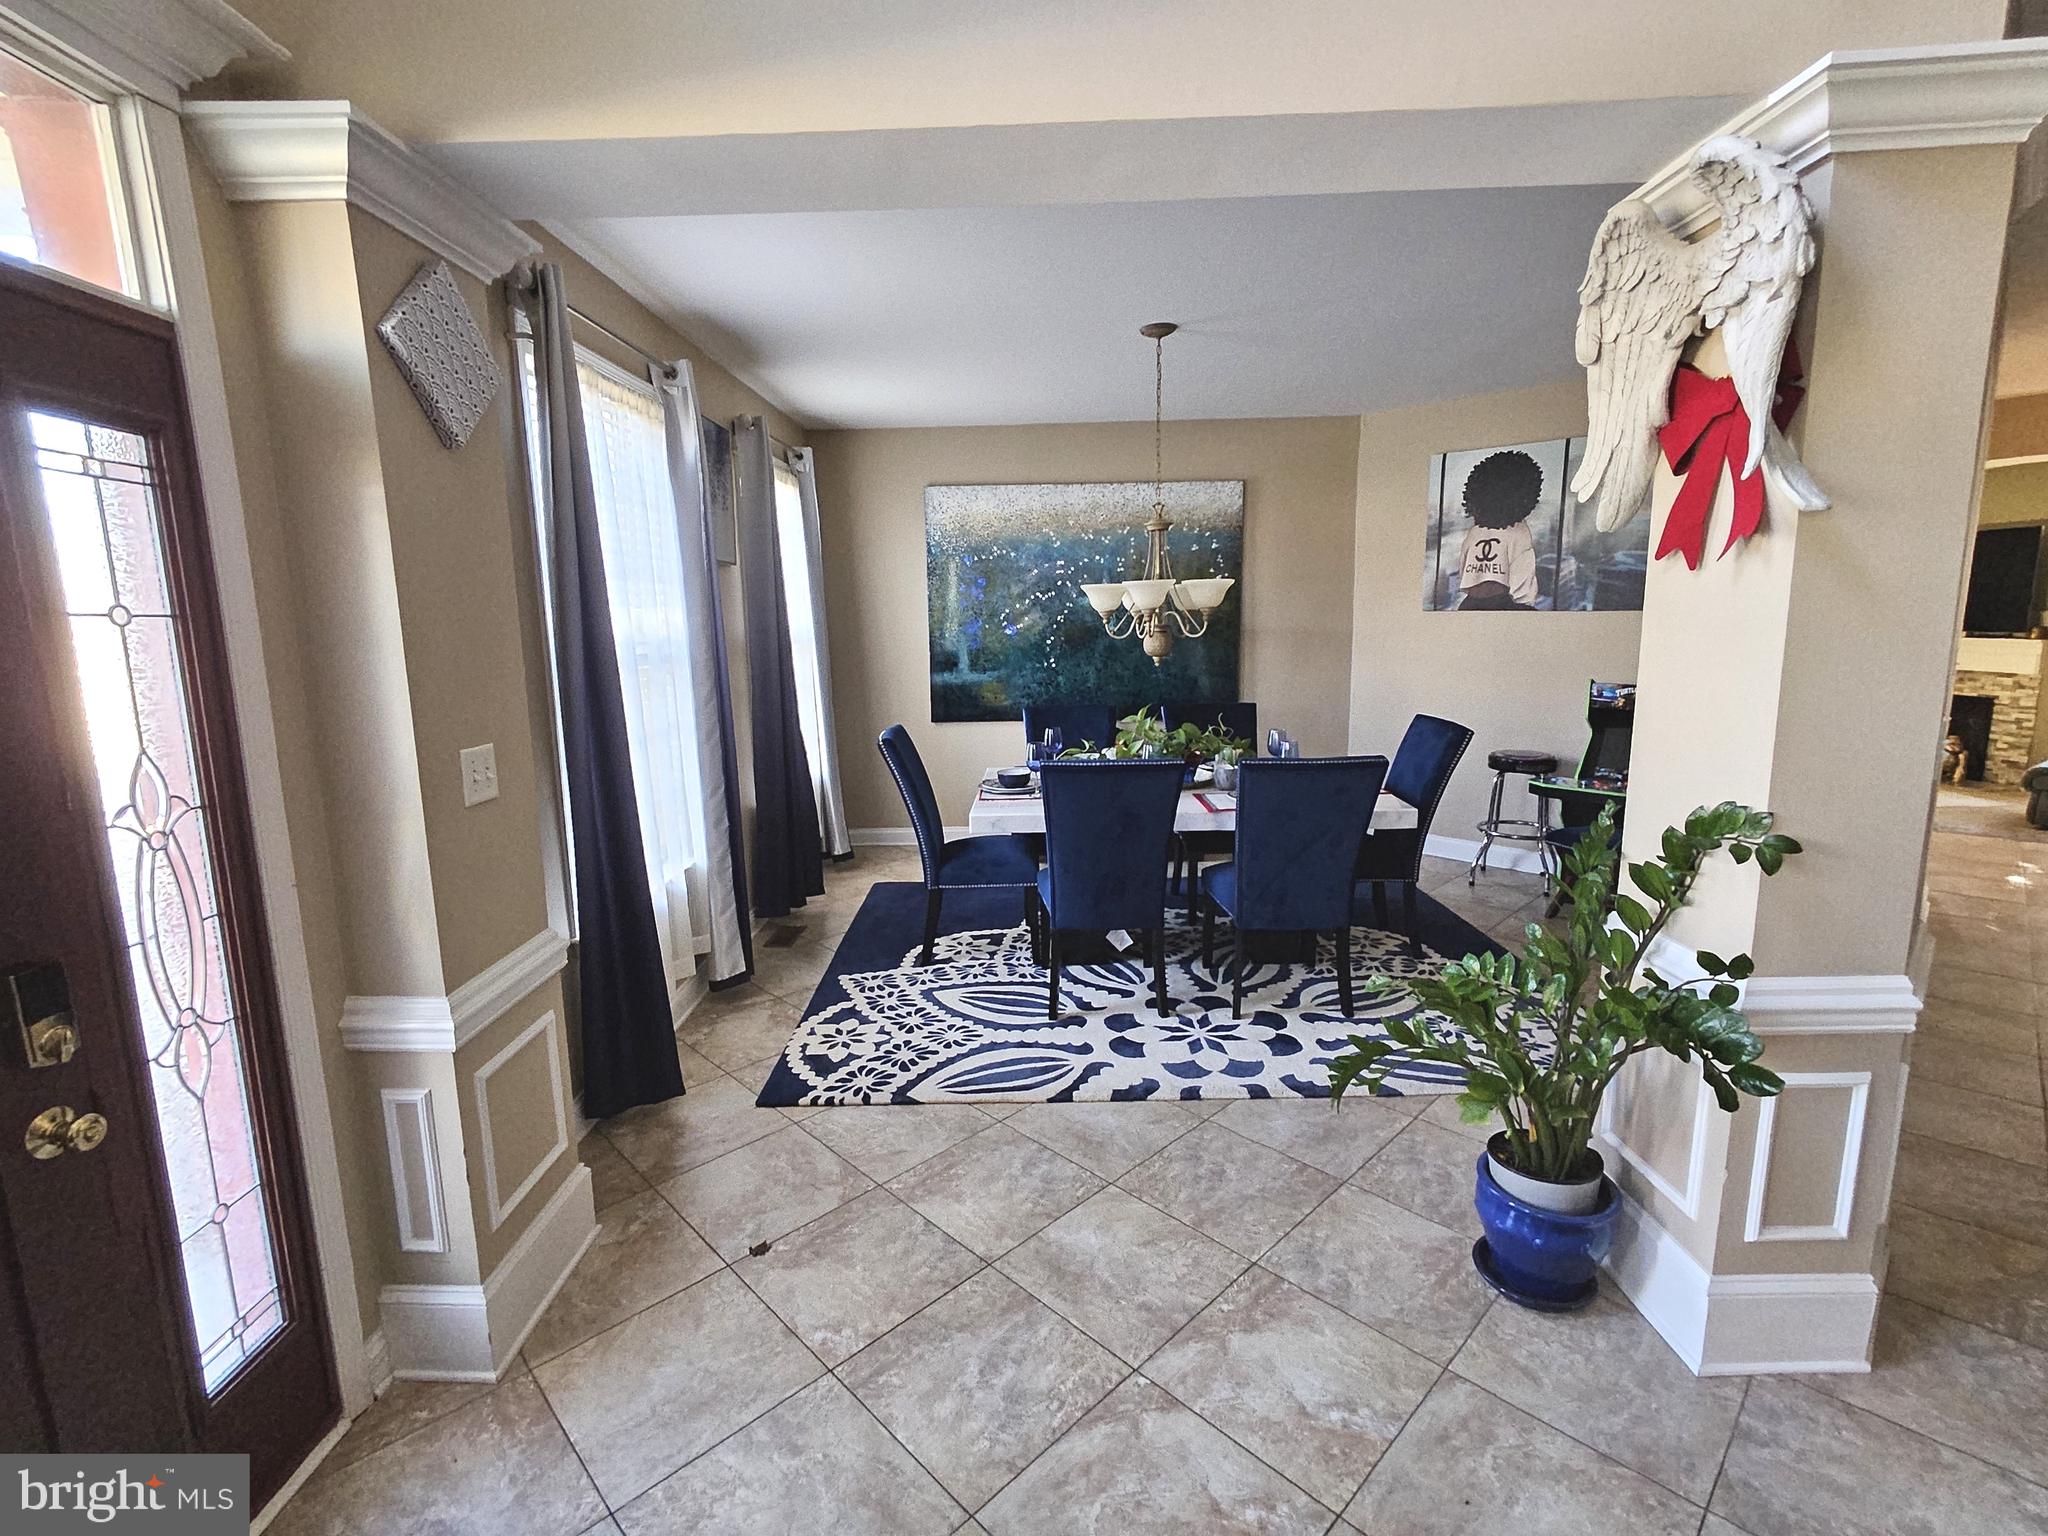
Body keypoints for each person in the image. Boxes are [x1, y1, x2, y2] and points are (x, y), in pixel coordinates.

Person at [1455, 448, 1543, 610]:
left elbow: (1463, 573)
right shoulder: (1519, 531)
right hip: (1504, 605)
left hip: (1469, 605)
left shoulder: (1474, 532)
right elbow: (1522, 584)